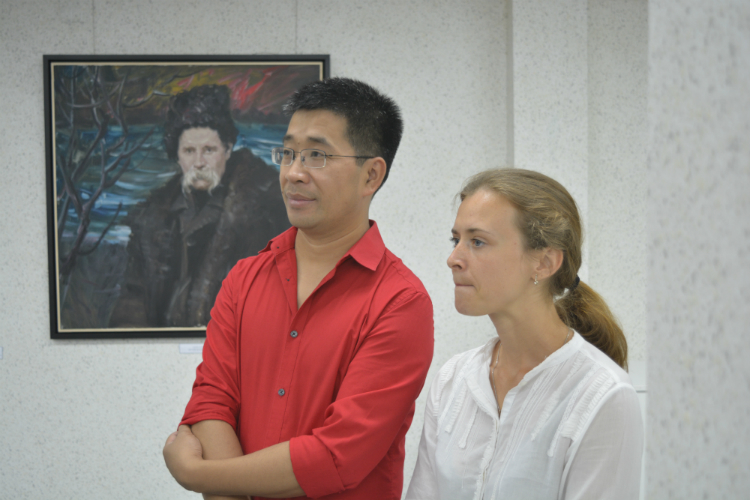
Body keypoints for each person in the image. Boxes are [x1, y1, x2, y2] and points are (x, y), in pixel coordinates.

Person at [162, 77, 434, 500]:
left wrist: (197, 475)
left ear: (371, 175)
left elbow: (337, 455)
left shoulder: (400, 302)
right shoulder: (244, 279)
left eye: (317, 156)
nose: (292, 173)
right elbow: (213, 402)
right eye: (288, 153)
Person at [406, 169, 643, 499]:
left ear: (544, 263)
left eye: (477, 241)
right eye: (455, 239)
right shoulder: (452, 380)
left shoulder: (604, 396)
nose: (453, 258)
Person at [110, 84, 289, 328]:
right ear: (177, 156)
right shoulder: (152, 218)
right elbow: (134, 298)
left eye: (209, 150)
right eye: (189, 151)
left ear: (227, 150)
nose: (199, 162)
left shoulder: (264, 211)